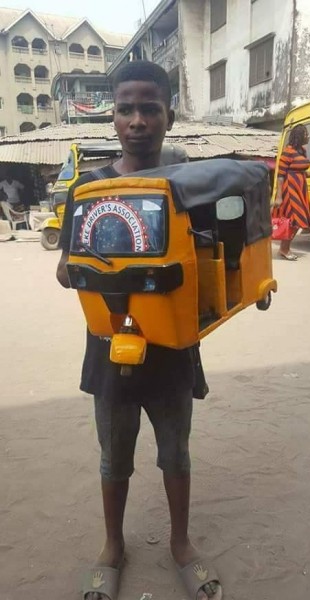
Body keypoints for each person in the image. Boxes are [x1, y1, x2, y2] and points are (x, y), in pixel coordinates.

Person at [56, 61, 222, 600]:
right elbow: (64, 270)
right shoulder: (89, 189)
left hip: (172, 349)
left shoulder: (191, 190)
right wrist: (102, 265)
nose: (137, 120)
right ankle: (112, 545)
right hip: (109, 349)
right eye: (126, 108)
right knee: (113, 457)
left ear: (169, 116)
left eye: (149, 108)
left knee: (176, 453)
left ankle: (181, 543)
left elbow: (217, 265)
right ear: (112, 117)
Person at [273, 124, 310, 260]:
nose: (308, 136)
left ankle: (284, 248)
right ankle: (284, 249)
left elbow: (301, 173)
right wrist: (279, 196)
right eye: (306, 133)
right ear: (299, 136)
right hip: (290, 191)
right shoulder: (288, 151)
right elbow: (280, 175)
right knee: (294, 220)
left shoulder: (301, 152)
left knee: (299, 220)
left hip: (300, 190)